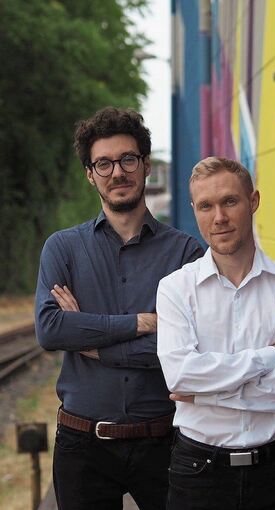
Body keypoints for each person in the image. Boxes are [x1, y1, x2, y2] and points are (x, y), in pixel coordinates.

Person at [35, 107, 204, 510]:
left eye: (128, 159)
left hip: (165, 442)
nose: (117, 172)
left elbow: (190, 351)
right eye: (104, 163)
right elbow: (51, 330)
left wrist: (91, 341)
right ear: (90, 174)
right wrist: (142, 323)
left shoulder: (186, 254)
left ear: (146, 166)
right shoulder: (63, 248)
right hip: (83, 446)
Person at [156, 156, 275, 510]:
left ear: (253, 201)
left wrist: (204, 394)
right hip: (198, 473)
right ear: (194, 210)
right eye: (206, 206)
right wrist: (269, 356)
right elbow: (180, 374)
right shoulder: (175, 289)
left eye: (229, 201)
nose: (219, 217)